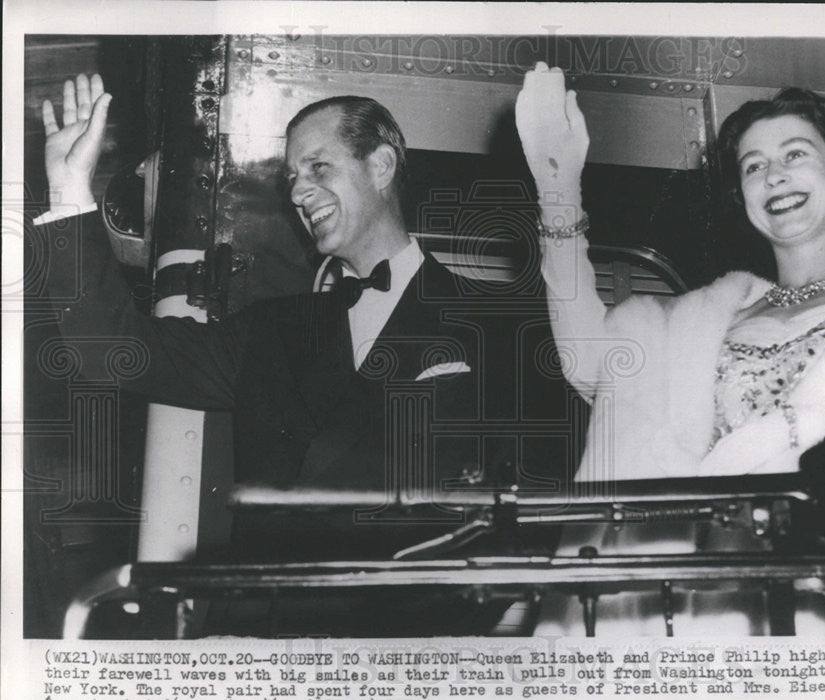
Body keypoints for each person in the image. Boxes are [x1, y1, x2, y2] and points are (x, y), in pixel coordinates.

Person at [35, 73, 575, 636]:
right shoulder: (268, 331)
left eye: (319, 168)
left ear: (382, 166)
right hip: (264, 645)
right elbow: (116, 350)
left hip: (418, 648)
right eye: (292, 177)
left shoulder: (496, 325)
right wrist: (70, 188)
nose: (296, 192)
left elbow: (546, 490)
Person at [515, 62, 825, 635]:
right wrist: (557, 185)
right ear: (743, 199)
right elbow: (590, 357)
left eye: (795, 155)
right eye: (754, 167)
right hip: (685, 615)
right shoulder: (697, 317)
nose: (774, 176)